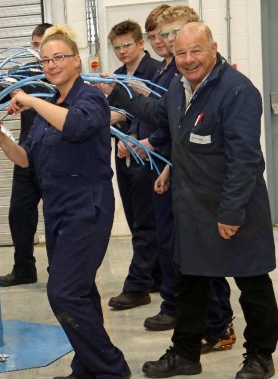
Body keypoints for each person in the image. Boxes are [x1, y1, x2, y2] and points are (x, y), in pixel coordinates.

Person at [108, 22, 278, 378]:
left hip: (235, 205)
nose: (187, 59)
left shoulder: (236, 91)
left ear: (213, 48)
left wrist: (231, 212)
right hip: (194, 206)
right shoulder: (180, 86)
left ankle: (261, 356)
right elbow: (163, 119)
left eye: (196, 50)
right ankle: (186, 354)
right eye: (182, 52)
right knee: (190, 283)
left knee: (252, 284)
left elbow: (245, 160)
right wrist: (121, 94)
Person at [0, 26, 131, 378]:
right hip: (57, 208)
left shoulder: (90, 98)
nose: (51, 64)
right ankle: (88, 367)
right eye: (46, 59)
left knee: (64, 292)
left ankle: (111, 368)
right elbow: (28, 161)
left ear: (77, 60)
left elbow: (77, 128)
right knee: (79, 290)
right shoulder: (50, 106)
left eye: (59, 57)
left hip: (87, 207)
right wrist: (3, 140)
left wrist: (32, 99)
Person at [126, 6, 237, 352]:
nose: (166, 42)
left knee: (211, 262)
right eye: (161, 36)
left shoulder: (222, 83)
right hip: (180, 174)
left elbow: (238, 154)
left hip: (206, 187)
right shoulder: (176, 75)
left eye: (172, 34)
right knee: (185, 257)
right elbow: (176, 124)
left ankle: (219, 326)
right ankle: (204, 323)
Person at [105, 19, 161, 311]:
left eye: (127, 45)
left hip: (148, 155)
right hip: (125, 154)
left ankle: (138, 285)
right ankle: (157, 276)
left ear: (141, 43)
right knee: (135, 217)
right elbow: (115, 112)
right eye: (117, 48)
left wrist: (130, 128)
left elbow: (156, 113)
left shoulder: (156, 72)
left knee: (145, 222)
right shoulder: (116, 76)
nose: (122, 52)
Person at [0, 22, 51, 287]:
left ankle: (59, 268)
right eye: (35, 45)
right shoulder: (24, 72)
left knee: (56, 216)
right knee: (19, 213)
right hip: (25, 154)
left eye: (43, 44)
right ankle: (24, 268)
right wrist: (12, 91)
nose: (37, 51)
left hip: (54, 157)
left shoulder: (60, 74)